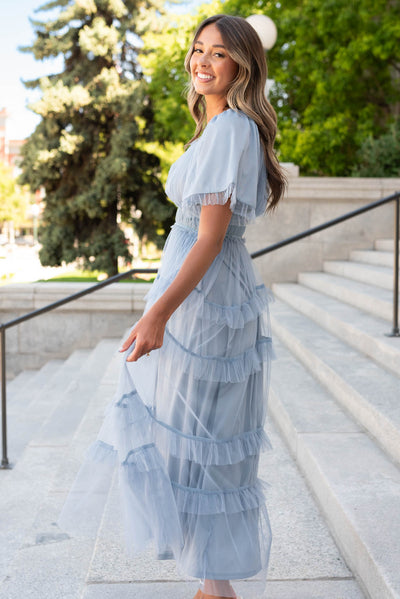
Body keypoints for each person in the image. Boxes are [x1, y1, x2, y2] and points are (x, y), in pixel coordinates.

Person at [57, 13, 286, 599]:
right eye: (198, 49)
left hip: (205, 296)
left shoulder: (232, 126)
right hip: (201, 288)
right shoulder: (218, 127)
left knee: (197, 434)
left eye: (219, 54)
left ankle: (216, 589)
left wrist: (157, 314)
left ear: (243, 65)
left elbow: (210, 236)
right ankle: (214, 586)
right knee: (190, 434)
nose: (202, 62)